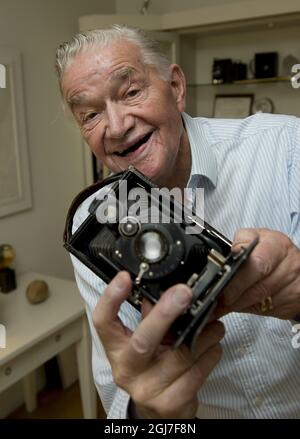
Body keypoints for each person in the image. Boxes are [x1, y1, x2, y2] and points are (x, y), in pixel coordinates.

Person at [56, 25, 300, 419]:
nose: (117, 127)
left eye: (131, 92)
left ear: (176, 86)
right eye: (90, 114)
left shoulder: (286, 146)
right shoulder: (94, 227)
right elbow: (118, 402)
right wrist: (149, 414)